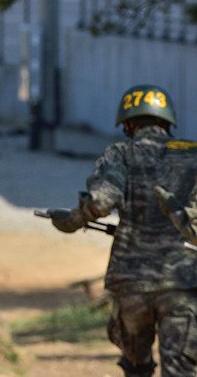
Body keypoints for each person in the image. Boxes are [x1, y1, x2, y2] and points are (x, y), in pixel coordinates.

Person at [49, 84, 197, 377]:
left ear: (128, 124)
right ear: (167, 123)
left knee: (136, 367)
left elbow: (102, 202)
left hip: (131, 283)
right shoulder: (193, 155)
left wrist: (72, 220)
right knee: (180, 370)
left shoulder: (120, 154)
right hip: (182, 282)